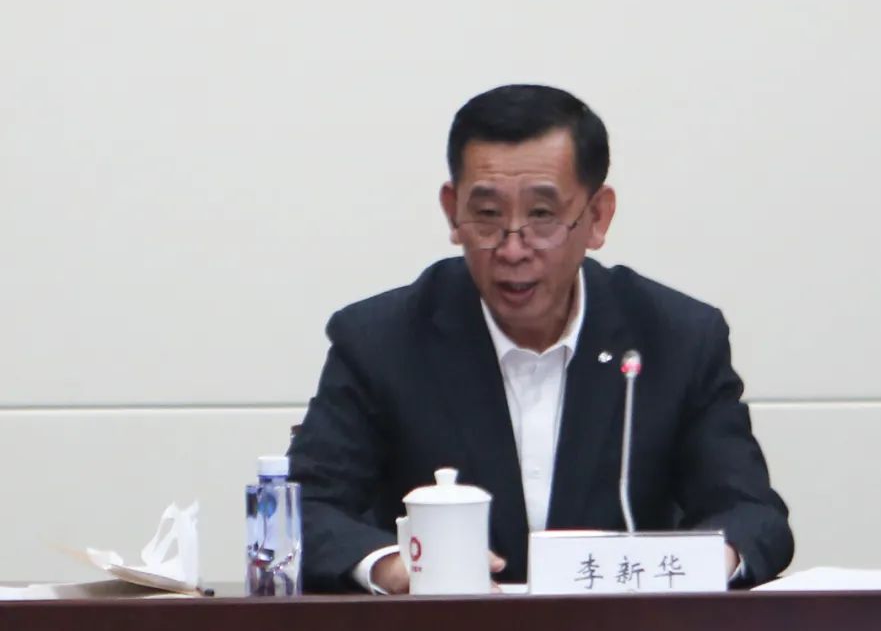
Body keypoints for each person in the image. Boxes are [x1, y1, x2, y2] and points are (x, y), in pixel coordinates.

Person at [288, 84, 794, 593]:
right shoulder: (381, 342)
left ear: (597, 217)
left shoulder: (677, 339)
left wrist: (689, 569)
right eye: (487, 215)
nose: (513, 249)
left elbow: (751, 515)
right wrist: (399, 568)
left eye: (542, 216)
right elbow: (305, 508)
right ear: (452, 211)